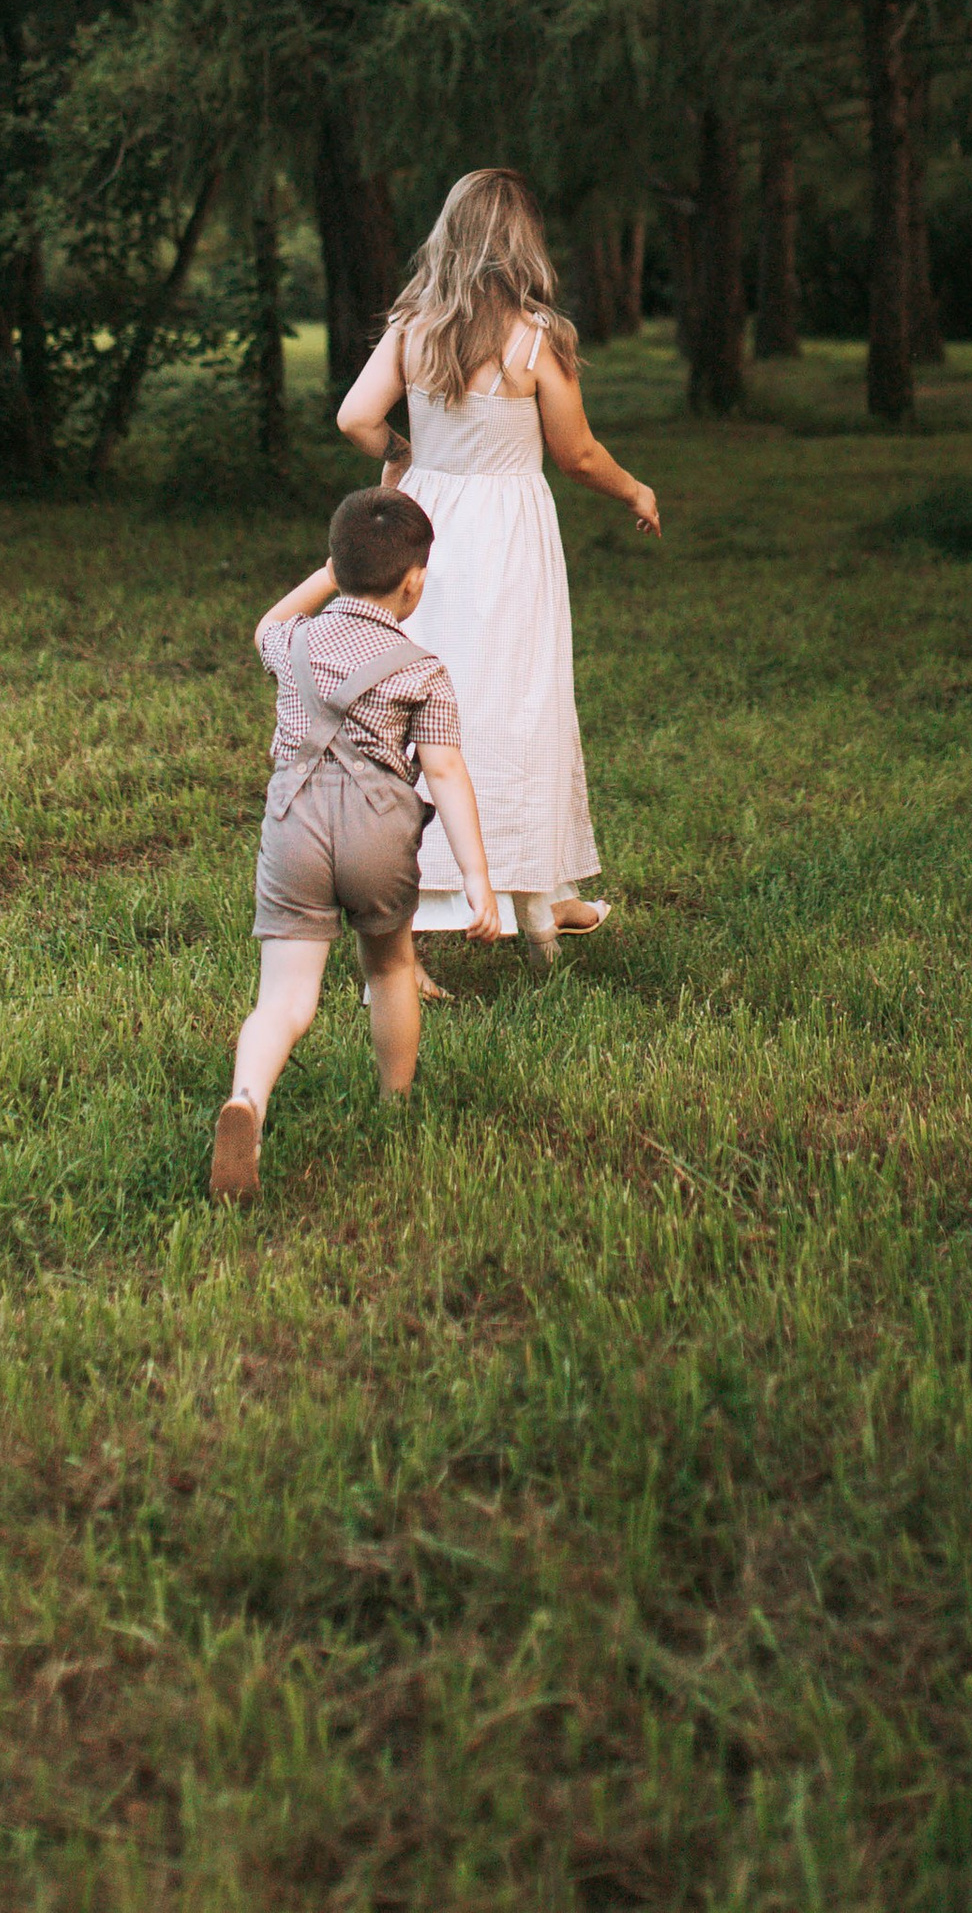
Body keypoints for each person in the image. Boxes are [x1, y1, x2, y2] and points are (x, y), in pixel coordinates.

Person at [261, 165, 660, 978]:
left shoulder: (415, 324)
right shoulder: (534, 338)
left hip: (430, 528)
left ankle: (410, 913)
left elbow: (354, 417)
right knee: (518, 703)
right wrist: (635, 487)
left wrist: (407, 456)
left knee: (421, 708)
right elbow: (576, 454)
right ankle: (537, 904)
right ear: (522, 245)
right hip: (510, 536)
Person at [212, 484, 501, 1205]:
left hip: (295, 824)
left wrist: (329, 574)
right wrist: (476, 879)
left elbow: (267, 623)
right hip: (378, 828)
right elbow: (445, 771)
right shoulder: (423, 669)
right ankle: (394, 1109)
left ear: (335, 570)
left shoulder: (291, 641)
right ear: (415, 581)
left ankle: (247, 1099)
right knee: (391, 966)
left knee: (283, 995)